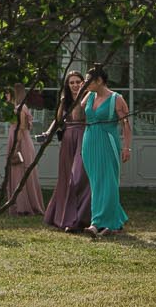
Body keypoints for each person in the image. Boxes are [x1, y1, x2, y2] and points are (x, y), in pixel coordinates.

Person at [80, 66, 132, 234]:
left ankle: (96, 223)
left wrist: (126, 147)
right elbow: (78, 110)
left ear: (99, 81)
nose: (85, 83)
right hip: (89, 141)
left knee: (108, 182)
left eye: (89, 80)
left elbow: (126, 124)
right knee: (96, 183)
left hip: (107, 141)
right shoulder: (89, 96)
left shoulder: (116, 98)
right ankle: (113, 221)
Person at [44, 71, 92, 232]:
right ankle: (62, 216)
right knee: (65, 178)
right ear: (67, 85)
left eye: (78, 82)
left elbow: (79, 115)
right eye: (71, 83)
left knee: (77, 177)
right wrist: (62, 101)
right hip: (67, 139)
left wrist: (80, 96)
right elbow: (59, 120)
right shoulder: (65, 100)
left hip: (83, 136)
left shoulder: (87, 98)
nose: (75, 85)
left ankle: (80, 217)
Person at [3, 87, 47, 218]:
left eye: (7, 93)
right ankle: (18, 203)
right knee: (17, 171)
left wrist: (16, 147)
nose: (5, 95)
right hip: (18, 140)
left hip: (20, 142)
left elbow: (21, 128)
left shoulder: (19, 108)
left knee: (20, 171)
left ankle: (24, 206)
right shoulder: (17, 108)